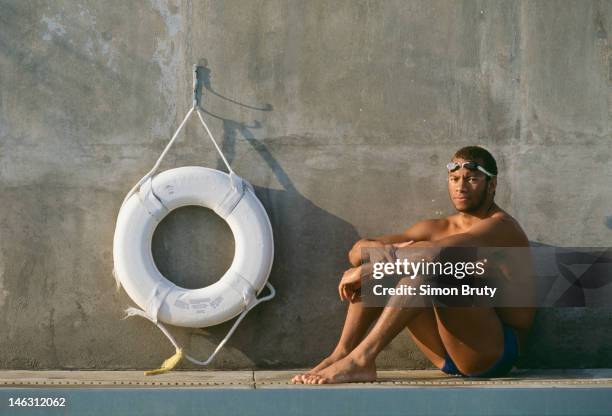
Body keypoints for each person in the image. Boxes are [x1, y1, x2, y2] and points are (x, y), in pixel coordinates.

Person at [292, 146, 536, 384]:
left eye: (471, 178)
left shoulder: (501, 228)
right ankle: (342, 354)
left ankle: (362, 359)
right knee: (391, 268)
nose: (460, 186)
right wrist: (372, 254)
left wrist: (371, 269)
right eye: (454, 178)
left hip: (491, 353)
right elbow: (357, 252)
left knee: (438, 273)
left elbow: (434, 254)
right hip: (443, 354)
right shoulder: (436, 228)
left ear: (491, 185)